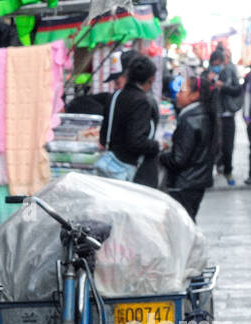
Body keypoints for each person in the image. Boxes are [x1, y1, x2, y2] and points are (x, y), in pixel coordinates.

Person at [160, 74, 217, 220]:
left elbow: (178, 159)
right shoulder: (201, 114)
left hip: (185, 182)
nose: (177, 95)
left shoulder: (190, 120)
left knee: (182, 226)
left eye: (181, 92)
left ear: (194, 95)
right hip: (195, 180)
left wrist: (160, 155)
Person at [99, 53, 161, 187]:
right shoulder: (142, 102)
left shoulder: (114, 97)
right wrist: (158, 145)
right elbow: (136, 142)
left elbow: (103, 138)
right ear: (151, 78)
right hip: (132, 171)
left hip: (110, 166)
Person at [208, 47, 243, 187]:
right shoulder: (206, 75)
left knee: (228, 146)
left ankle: (228, 170)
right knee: (214, 146)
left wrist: (223, 86)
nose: (216, 67)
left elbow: (237, 90)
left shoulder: (229, 72)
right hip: (213, 115)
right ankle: (217, 167)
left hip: (228, 114)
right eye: (214, 64)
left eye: (218, 64)